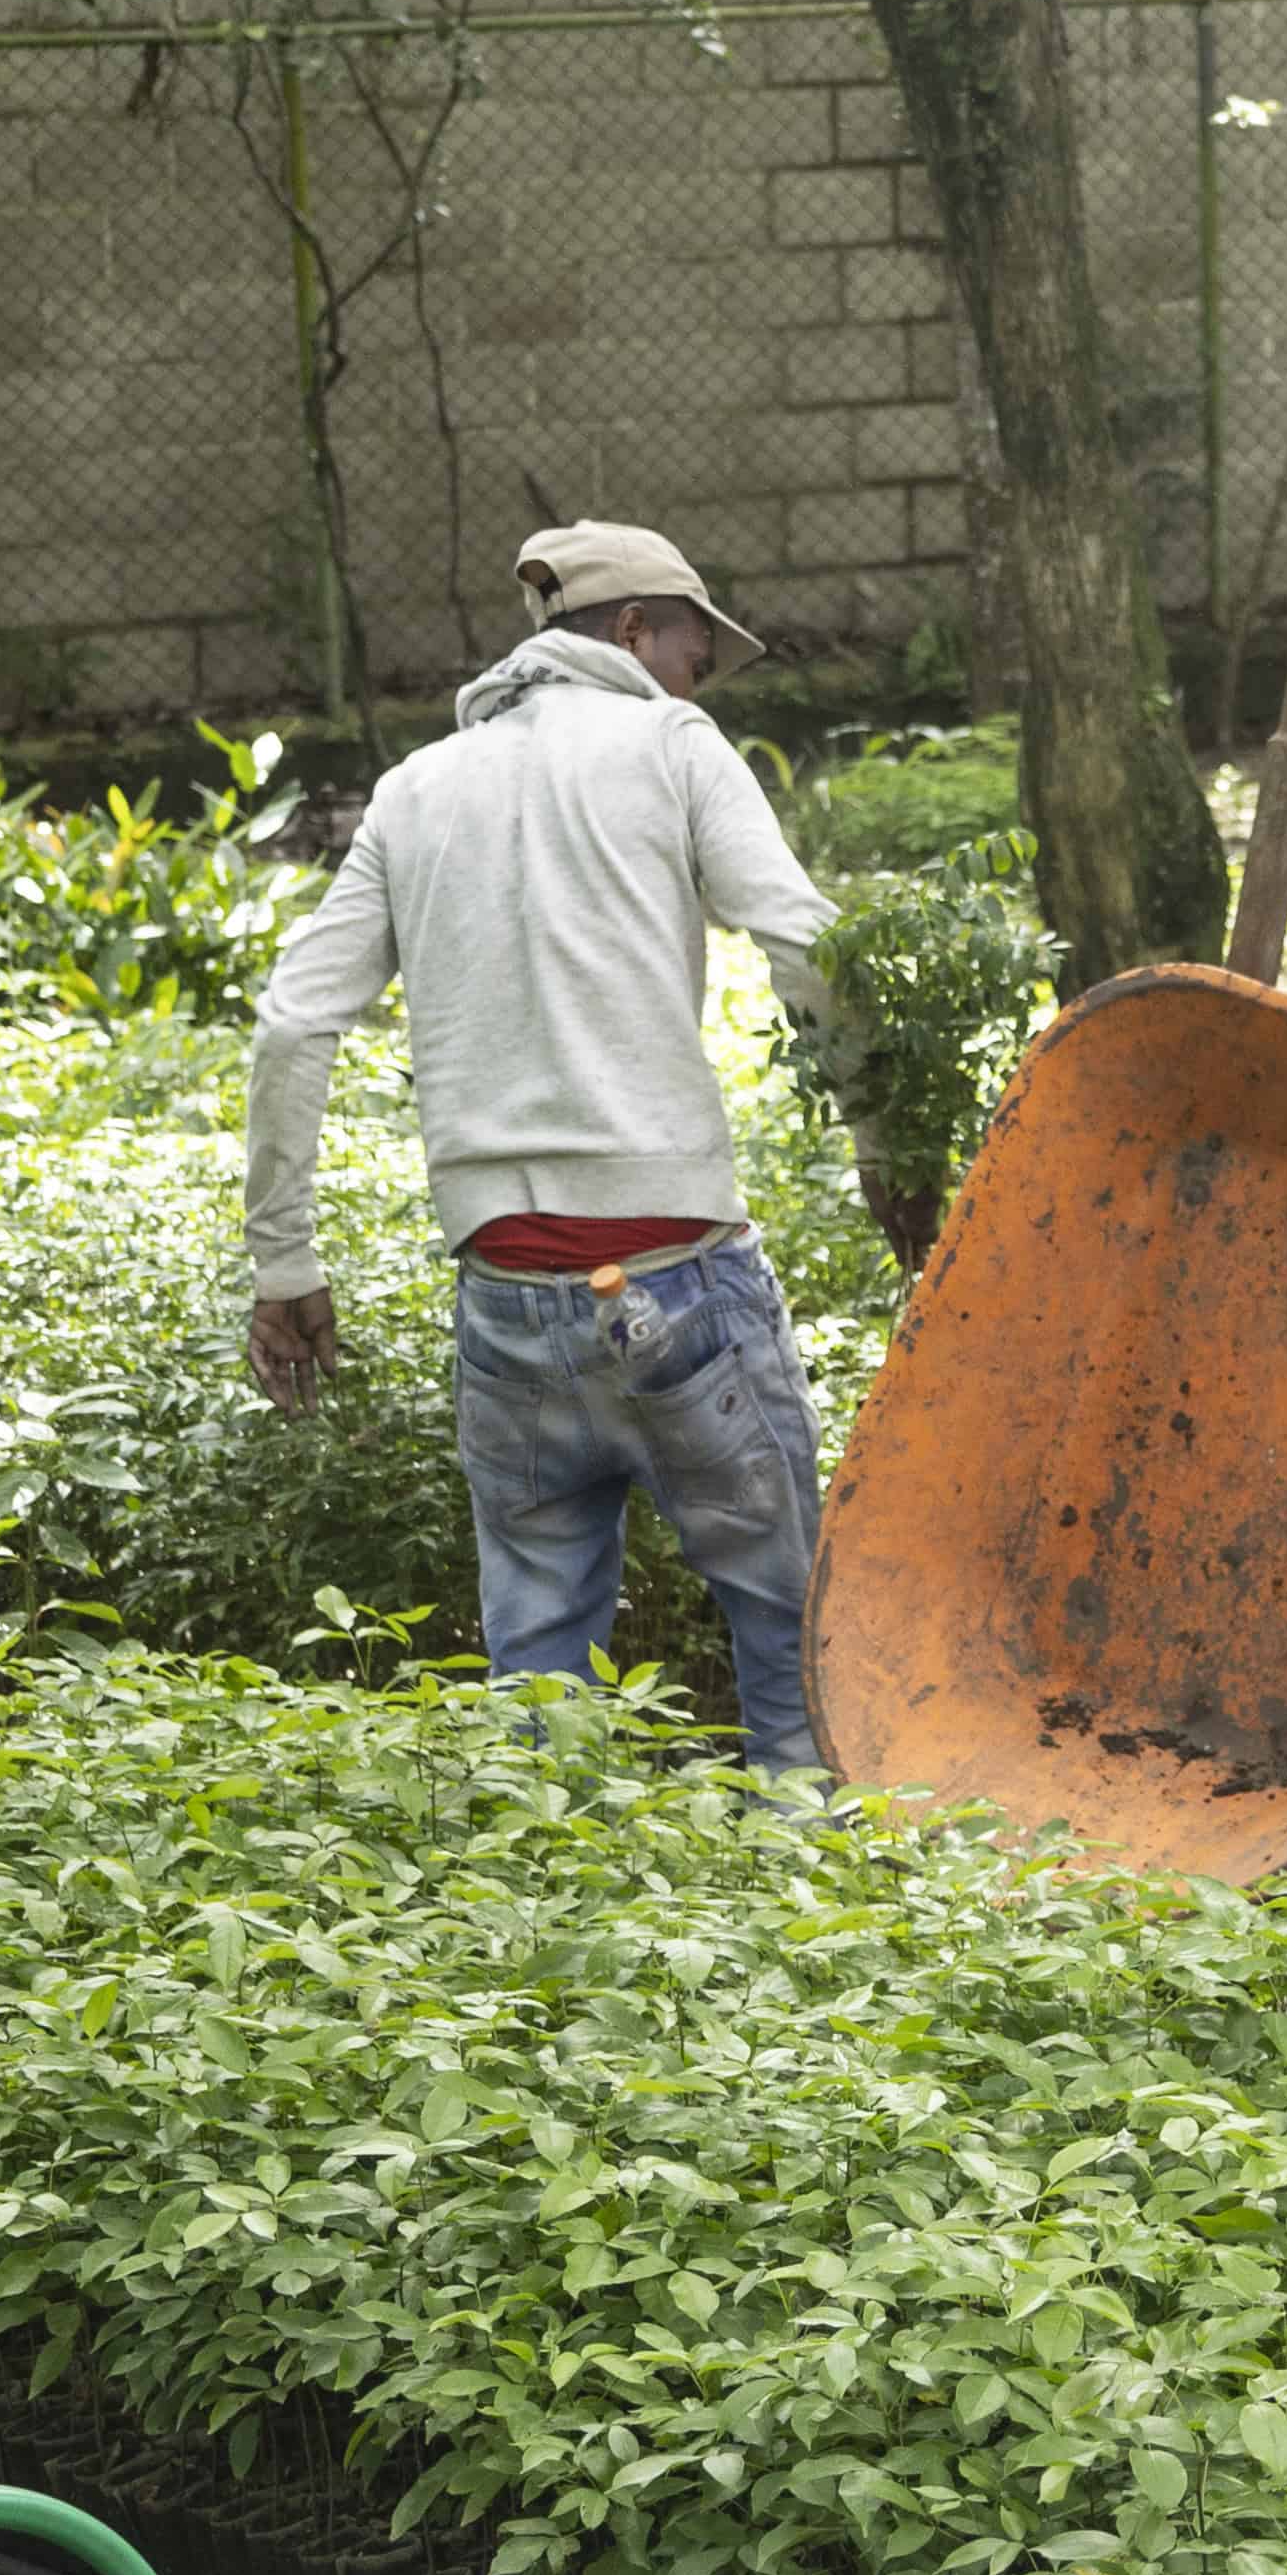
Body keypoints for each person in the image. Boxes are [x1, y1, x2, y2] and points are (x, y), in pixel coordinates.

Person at [242, 519, 847, 1769]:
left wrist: (284, 1264)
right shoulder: (673, 745)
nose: (695, 688)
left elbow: (294, 1022)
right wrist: (886, 1136)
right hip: (679, 1278)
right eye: (693, 658)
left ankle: (546, 1874)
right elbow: (807, 947)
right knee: (796, 1642)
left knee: (536, 1687)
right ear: (630, 629)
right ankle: (812, 1860)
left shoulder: (416, 790)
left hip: (507, 1295)